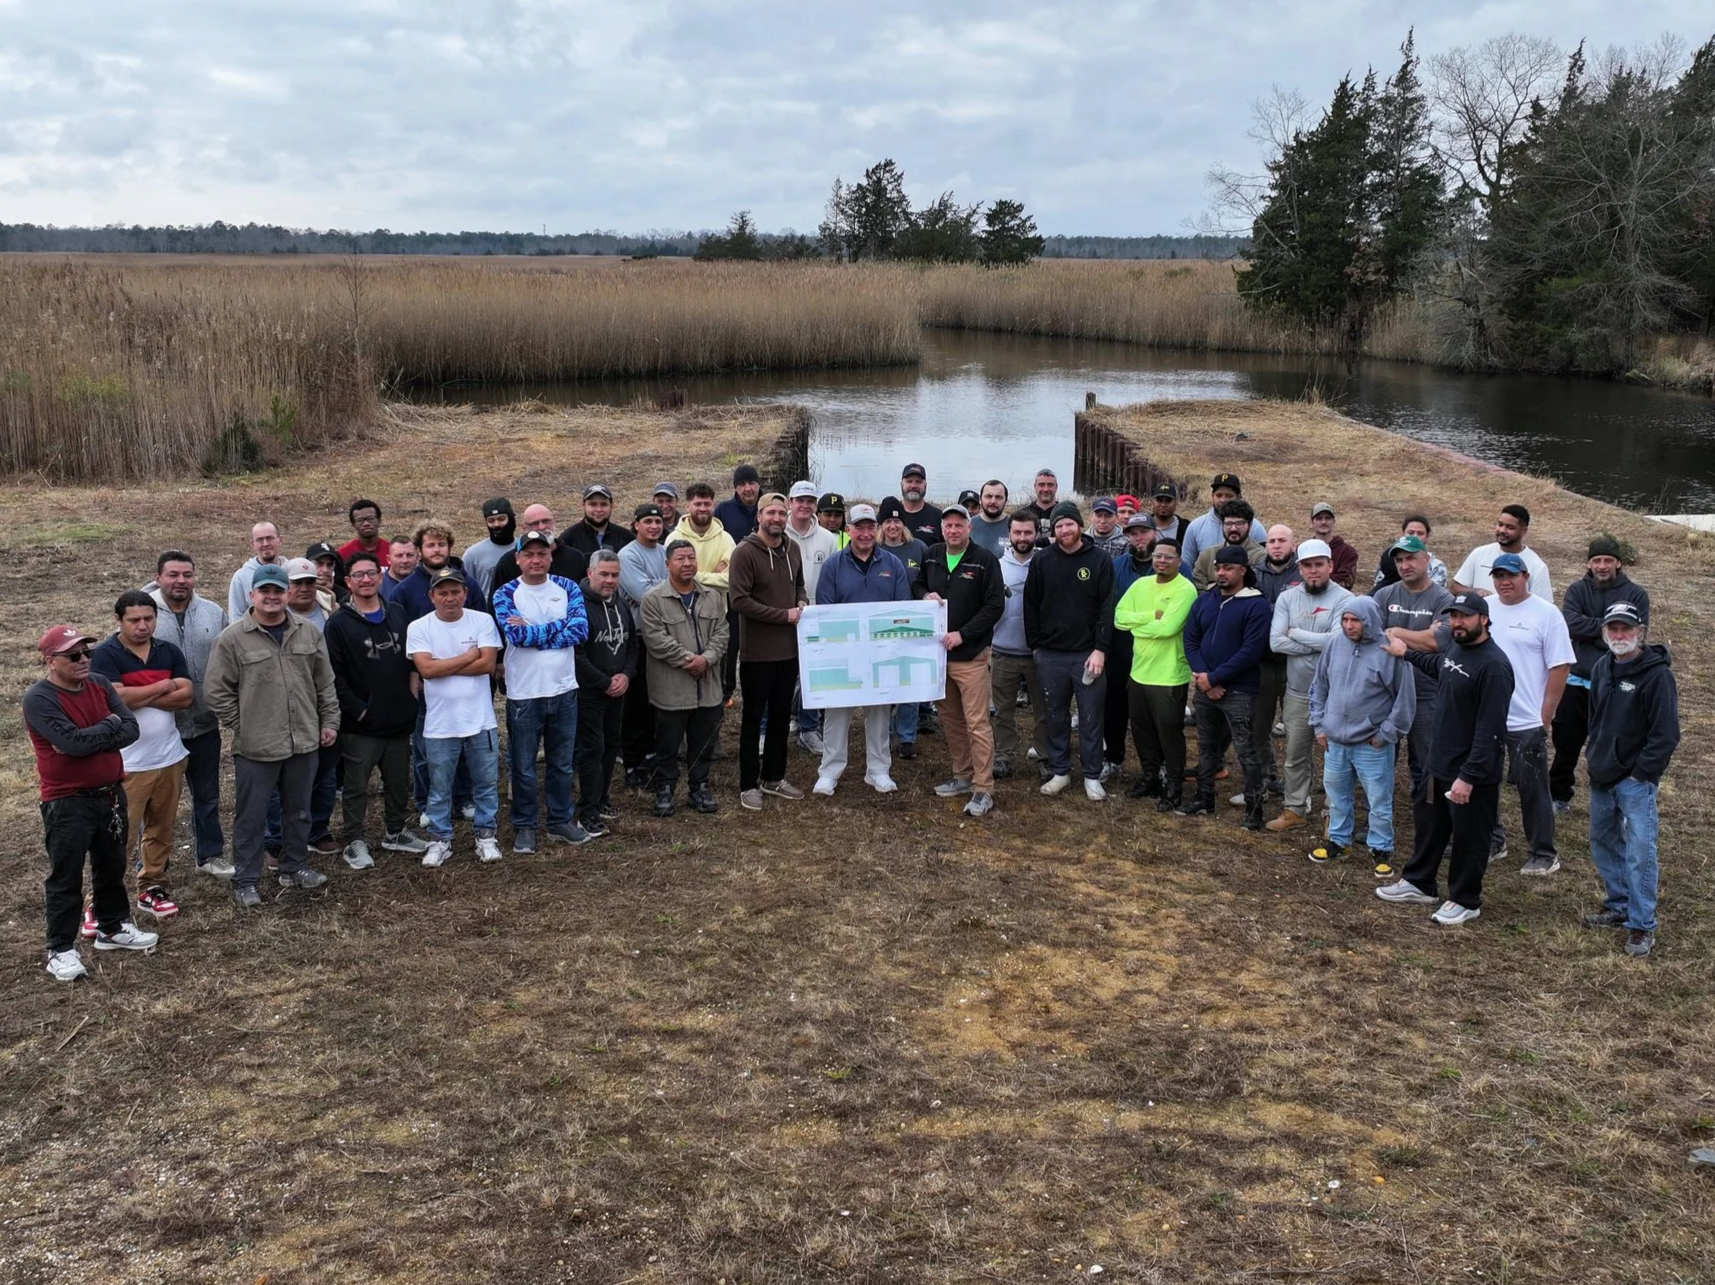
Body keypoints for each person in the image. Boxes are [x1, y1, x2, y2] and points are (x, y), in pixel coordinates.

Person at [25, 624, 155, 981]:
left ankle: (112, 928)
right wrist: (106, 727)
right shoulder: (40, 698)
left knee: (112, 866)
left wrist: (95, 731)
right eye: (73, 655)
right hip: (67, 801)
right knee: (66, 875)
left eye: (87, 653)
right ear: (50, 661)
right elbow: (73, 745)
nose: (84, 660)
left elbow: (131, 729)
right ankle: (60, 948)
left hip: (111, 793)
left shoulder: (98, 683)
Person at [205, 563, 339, 906]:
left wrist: (329, 721)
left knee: (299, 810)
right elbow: (216, 692)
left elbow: (324, 682)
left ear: (288, 594)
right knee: (251, 816)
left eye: (278, 591)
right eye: (265, 591)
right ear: (252, 595)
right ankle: (246, 880)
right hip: (256, 747)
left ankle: (294, 867)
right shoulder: (232, 639)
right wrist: (244, 724)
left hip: (304, 740)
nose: (272, 597)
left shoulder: (309, 632)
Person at [1378, 593, 1513, 926]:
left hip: (1471, 772)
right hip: (1439, 762)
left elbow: (1490, 730)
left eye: (1465, 616)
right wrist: (1406, 653)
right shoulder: (1457, 649)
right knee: (1430, 826)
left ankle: (1465, 899)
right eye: (1453, 616)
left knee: (1469, 838)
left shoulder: (1494, 666)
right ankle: (1419, 882)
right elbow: (1439, 666)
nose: (1457, 622)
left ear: (1483, 619)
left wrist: (1468, 777)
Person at [1582, 602, 1679, 958]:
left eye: (1626, 629)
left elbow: (1666, 734)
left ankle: (1641, 925)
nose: (1619, 635)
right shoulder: (1602, 667)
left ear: (1640, 632)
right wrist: (1594, 755)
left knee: (1640, 851)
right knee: (1603, 841)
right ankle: (1619, 903)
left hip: (1635, 781)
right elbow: (1595, 718)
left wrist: (1641, 774)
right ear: (1605, 632)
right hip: (1601, 774)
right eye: (1613, 629)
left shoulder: (1657, 676)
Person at [90, 591, 193, 923]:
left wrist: (138, 693)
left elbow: (187, 696)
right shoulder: (105, 655)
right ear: (118, 620)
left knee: (162, 830)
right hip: (128, 764)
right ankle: (100, 901)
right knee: (121, 836)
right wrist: (163, 686)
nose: (142, 626)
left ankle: (152, 886)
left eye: (148, 619)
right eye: (134, 620)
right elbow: (115, 700)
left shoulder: (168, 650)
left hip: (170, 757)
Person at [323, 549, 427, 869]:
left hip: (399, 718)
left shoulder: (396, 612)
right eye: (358, 575)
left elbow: (413, 655)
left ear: (381, 578)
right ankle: (354, 840)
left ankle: (395, 832)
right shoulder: (338, 624)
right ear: (348, 582)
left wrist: (412, 694)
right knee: (357, 786)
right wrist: (358, 710)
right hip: (362, 724)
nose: (366, 580)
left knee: (397, 781)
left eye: (371, 574)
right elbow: (333, 675)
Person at [492, 529, 591, 853]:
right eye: (529, 554)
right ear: (518, 558)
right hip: (524, 694)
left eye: (542, 554)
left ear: (551, 556)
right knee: (522, 765)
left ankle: (560, 820)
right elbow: (515, 637)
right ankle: (525, 826)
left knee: (561, 763)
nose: (536, 560)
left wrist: (533, 630)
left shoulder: (567, 587)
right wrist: (554, 629)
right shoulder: (505, 593)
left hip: (564, 689)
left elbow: (579, 630)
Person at [1484, 553, 1575, 876]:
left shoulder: (1546, 614)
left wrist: (1545, 715)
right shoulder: (1487, 608)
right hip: (1488, 717)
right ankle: (1494, 841)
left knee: (1532, 788)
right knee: (1484, 782)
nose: (1503, 582)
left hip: (1526, 721)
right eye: (1497, 576)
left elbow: (1560, 665)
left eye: (1510, 575)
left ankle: (1543, 852)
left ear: (1525, 576)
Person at [406, 566, 503, 867]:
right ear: (431, 596)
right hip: (440, 725)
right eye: (443, 593)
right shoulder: (419, 627)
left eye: (455, 592)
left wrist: (442, 666)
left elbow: (487, 665)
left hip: (480, 721)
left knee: (486, 783)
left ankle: (486, 836)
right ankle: (440, 839)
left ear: (465, 593)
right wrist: (467, 656)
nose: (450, 598)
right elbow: (426, 671)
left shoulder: (483, 620)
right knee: (439, 787)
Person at [1307, 599, 1415, 870]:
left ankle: (1381, 848)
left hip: (1372, 743)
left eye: (1355, 620)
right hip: (1335, 741)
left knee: (1378, 798)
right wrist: (1319, 725)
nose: (1349, 626)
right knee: (1337, 794)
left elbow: (1405, 700)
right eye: (1345, 620)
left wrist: (1386, 734)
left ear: (1369, 620)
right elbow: (1319, 686)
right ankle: (1338, 841)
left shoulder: (1390, 651)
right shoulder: (1334, 644)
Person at [813, 504, 911, 796]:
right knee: (837, 713)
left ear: (877, 529)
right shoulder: (833, 565)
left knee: (879, 712)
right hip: (844, 654)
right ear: (849, 530)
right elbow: (825, 611)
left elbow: (901, 609)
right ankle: (829, 772)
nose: (865, 533)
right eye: (859, 527)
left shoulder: (892, 564)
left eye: (871, 527)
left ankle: (878, 770)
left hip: (881, 655)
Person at [916, 504, 1005, 818]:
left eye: (959, 525)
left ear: (970, 528)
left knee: (977, 723)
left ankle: (984, 788)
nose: (953, 530)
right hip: (940, 656)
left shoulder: (985, 561)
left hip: (970, 656)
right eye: (948, 525)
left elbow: (994, 606)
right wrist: (925, 594)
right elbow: (917, 584)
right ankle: (962, 775)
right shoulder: (932, 555)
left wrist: (963, 634)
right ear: (942, 529)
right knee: (951, 720)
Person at [1551, 536, 1651, 813]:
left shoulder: (1636, 594)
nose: (1602, 565)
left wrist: (1593, 631)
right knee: (1566, 742)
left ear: (1618, 562)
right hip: (1575, 679)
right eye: (1597, 560)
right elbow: (1570, 625)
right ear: (1588, 563)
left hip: (1616, 681)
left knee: (1612, 742)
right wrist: (1611, 629)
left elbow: (1636, 636)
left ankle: (1613, 797)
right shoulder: (1576, 591)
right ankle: (1558, 795)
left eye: (1608, 560)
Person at [148, 549, 231, 877]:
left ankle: (209, 855)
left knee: (208, 796)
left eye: (187, 575)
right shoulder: (143, 613)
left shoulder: (212, 612)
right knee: (156, 803)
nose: (181, 581)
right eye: (173, 575)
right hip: (161, 726)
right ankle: (152, 865)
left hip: (205, 723)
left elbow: (227, 662)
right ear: (158, 578)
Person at [1024, 501, 1115, 801]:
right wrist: (1036, 645)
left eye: (1069, 524)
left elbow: (1106, 608)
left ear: (1080, 526)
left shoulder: (1100, 560)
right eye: (1059, 525)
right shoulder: (1042, 560)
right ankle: (1060, 771)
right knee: (1055, 716)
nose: (1064, 530)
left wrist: (1101, 648)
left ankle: (1092, 775)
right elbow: (1031, 604)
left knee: (1090, 718)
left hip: (1087, 655)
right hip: (1050, 654)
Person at [1179, 546, 1272, 826]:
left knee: (1247, 750)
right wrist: (1205, 678)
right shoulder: (1205, 601)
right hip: (1206, 688)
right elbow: (1190, 640)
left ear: (1243, 570)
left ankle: (1254, 810)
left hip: (1241, 690)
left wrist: (1215, 678)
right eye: (1218, 567)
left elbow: (1251, 650)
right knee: (1207, 746)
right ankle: (1204, 799)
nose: (1221, 572)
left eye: (1228, 568)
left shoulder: (1256, 604)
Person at [1265, 540, 1354, 833]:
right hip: (1299, 691)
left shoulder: (1344, 599)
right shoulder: (1288, 598)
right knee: (1295, 753)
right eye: (1307, 565)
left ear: (1330, 566)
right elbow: (1276, 642)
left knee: (1337, 757)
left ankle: (1335, 812)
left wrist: (1297, 634)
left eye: (1319, 564)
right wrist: (1319, 644)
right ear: (1299, 568)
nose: (1313, 571)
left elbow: (1341, 640)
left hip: (1337, 694)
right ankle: (1295, 808)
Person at [728, 493, 810, 810]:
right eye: (770, 513)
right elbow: (739, 601)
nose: (776, 518)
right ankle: (748, 783)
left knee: (779, 718)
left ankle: (774, 777)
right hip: (757, 654)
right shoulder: (744, 552)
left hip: (789, 652)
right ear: (759, 516)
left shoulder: (793, 548)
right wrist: (783, 615)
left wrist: (801, 601)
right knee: (752, 720)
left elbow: (799, 585)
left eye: (781, 512)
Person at [641, 540, 729, 816]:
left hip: (708, 687)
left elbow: (723, 633)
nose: (688, 563)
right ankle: (665, 788)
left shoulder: (712, 597)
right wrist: (690, 660)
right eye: (680, 558)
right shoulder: (653, 599)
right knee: (667, 744)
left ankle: (699, 787)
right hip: (671, 689)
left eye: (691, 558)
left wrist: (708, 659)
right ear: (667, 564)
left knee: (703, 742)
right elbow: (656, 640)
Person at [1113, 536, 1197, 811]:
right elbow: (1119, 617)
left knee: (1170, 734)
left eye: (1168, 557)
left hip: (1169, 675)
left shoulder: (1185, 589)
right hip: (1139, 673)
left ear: (1179, 561)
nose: (1161, 560)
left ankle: (1173, 785)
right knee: (1141, 731)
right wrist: (1151, 616)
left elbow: (1169, 628)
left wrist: (1137, 625)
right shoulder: (1140, 585)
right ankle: (1150, 777)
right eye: (1158, 556)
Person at [1374, 535, 1455, 796]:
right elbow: (1373, 637)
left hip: (1427, 692)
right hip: (1388, 693)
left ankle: (1435, 818)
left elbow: (1438, 642)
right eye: (1399, 560)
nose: (1404, 565)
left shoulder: (1443, 599)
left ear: (1426, 559)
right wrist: (1421, 636)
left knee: (1431, 760)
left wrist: (1395, 630)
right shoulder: (1385, 594)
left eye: (1410, 558)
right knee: (1379, 760)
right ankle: (1376, 818)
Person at [574, 550, 640, 836]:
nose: (610, 580)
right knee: (592, 750)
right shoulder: (577, 604)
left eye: (615, 575)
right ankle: (586, 811)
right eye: (604, 574)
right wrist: (603, 681)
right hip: (589, 692)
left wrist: (626, 675)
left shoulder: (621, 604)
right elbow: (576, 653)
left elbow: (633, 644)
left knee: (612, 745)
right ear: (590, 573)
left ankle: (602, 799)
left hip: (617, 689)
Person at [990, 512, 1047, 781]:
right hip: (1003, 650)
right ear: (1009, 534)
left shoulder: (1047, 564)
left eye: (1027, 533)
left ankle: (1047, 755)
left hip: (1040, 653)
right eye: (1017, 533)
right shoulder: (996, 567)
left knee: (1044, 710)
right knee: (1003, 710)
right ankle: (1003, 756)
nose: (1022, 538)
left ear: (1036, 533)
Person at [785, 481, 840, 754]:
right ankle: (774, 725)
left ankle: (809, 728)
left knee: (814, 675)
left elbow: (832, 579)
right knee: (782, 673)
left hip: (817, 615)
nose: (804, 505)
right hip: (785, 615)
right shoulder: (778, 533)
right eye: (799, 500)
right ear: (789, 503)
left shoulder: (827, 539)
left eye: (809, 500)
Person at [1102, 515, 1159, 779]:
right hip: (1120, 651)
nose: (1138, 538)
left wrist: (1138, 621)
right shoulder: (1116, 566)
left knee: (1151, 714)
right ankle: (1112, 758)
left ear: (1154, 532)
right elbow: (1110, 611)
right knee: (1114, 708)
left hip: (1157, 656)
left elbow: (1174, 614)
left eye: (1143, 532)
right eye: (1133, 533)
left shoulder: (1173, 567)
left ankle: (1156, 766)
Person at [618, 503, 669, 787]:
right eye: (647, 521)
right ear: (636, 524)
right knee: (636, 702)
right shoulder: (628, 555)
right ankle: (632, 762)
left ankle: (651, 755)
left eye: (658, 521)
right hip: (637, 637)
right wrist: (669, 588)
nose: (653, 526)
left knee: (656, 699)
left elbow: (681, 582)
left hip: (661, 636)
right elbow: (646, 595)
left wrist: (663, 587)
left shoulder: (664, 552)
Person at [878, 496, 932, 759]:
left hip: (913, 625)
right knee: (885, 681)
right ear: (881, 524)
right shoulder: (874, 549)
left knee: (910, 682)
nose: (893, 526)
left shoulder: (918, 548)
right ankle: (885, 734)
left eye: (897, 521)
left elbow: (926, 581)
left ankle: (907, 737)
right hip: (882, 626)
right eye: (888, 521)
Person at [394, 520, 490, 622]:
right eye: (430, 545)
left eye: (441, 544)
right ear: (419, 550)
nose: (437, 550)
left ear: (450, 547)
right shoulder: (404, 590)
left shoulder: (469, 585)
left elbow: (482, 622)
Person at [1453, 504, 1552, 600]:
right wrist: (1475, 591)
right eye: (1500, 524)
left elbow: (1542, 606)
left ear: (1523, 530)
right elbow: (1455, 588)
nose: (1502, 530)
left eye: (1510, 527)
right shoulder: (1479, 553)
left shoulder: (1537, 566)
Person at [1180, 473, 1266, 579]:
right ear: (1212, 496)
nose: (1223, 500)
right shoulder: (1195, 527)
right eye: (1219, 495)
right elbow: (1187, 567)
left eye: (1229, 496)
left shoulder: (1256, 527)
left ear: (1239, 497)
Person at [491, 503, 589, 592]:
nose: (542, 527)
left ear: (553, 522)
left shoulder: (576, 558)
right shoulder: (507, 564)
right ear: (524, 528)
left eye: (546, 521)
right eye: (535, 523)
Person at [1191, 498, 1263, 592]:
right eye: (1228, 524)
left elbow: (1252, 589)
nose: (1233, 529)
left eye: (1239, 523)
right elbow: (1198, 589)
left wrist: (1212, 586)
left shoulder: (1260, 556)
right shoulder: (1208, 555)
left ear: (1250, 525)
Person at [459, 497, 517, 597]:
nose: (496, 525)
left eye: (501, 519)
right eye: (491, 521)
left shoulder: (525, 549)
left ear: (511, 518)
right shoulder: (472, 555)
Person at [227, 520, 284, 619]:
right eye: (260, 540)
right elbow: (236, 615)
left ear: (280, 540)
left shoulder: (292, 571)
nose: (265, 544)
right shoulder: (241, 577)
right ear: (252, 544)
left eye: (270, 538)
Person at [1372, 515, 1447, 590]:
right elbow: (1379, 586)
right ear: (1403, 534)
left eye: (1420, 533)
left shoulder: (1436, 566)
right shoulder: (1390, 558)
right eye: (1410, 533)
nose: (1415, 536)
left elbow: (1434, 594)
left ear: (1427, 536)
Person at [560, 484, 633, 558]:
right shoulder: (568, 539)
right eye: (593, 504)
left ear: (611, 506)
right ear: (583, 506)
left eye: (604, 504)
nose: (598, 509)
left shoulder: (626, 537)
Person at [1307, 503, 1359, 590]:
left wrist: (1313, 580)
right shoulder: (1304, 549)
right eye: (1319, 518)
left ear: (1333, 521)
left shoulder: (1348, 552)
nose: (1323, 522)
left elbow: (1346, 582)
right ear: (1312, 522)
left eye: (1327, 518)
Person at [897, 462, 944, 546]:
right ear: (901, 484)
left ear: (925, 486)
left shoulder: (938, 517)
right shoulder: (889, 514)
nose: (913, 485)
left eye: (918, 482)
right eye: (909, 481)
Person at [714, 463, 761, 544]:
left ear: (759, 484)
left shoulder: (770, 508)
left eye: (751, 482)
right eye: (742, 484)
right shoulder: (723, 510)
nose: (748, 488)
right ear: (735, 487)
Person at [336, 498, 385, 568]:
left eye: (371, 518)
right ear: (353, 524)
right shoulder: (343, 554)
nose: (366, 523)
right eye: (360, 520)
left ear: (379, 520)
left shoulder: (393, 552)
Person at [970, 480, 1012, 556]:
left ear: (1006, 500)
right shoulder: (969, 525)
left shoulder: (1014, 526)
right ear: (980, 499)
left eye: (998, 497)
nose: (993, 501)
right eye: (988, 496)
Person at [286, 557, 329, 629]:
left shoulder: (331, 608)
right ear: (287, 585)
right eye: (297, 583)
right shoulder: (277, 615)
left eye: (310, 582)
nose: (304, 589)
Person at [1147, 482, 1191, 548]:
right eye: (1159, 500)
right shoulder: (1143, 526)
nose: (1163, 505)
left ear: (1176, 504)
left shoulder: (1187, 528)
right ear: (1152, 503)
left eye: (1168, 501)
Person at [1023, 469, 1059, 545]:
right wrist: (1048, 541)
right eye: (1041, 485)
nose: (1046, 489)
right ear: (1035, 487)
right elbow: (1018, 541)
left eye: (1050, 485)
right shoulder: (1023, 514)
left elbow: (1071, 541)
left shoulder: (1065, 513)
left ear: (1056, 487)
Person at [381, 535, 418, 599]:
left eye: (409, 555)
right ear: (388, 559)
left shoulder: (425, 583)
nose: (405, 560)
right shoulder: (378, 585)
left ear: (417, 558)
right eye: (399, 556)